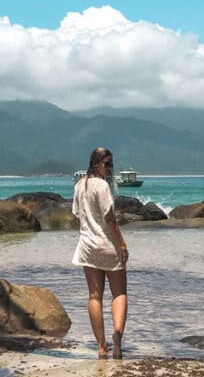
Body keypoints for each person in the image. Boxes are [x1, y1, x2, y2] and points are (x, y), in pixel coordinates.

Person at [72, 146, 128, 360]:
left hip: (87, 246)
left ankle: (101, 347)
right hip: (107, 245)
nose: (110, 168)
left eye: (112, 164)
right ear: (96, 164)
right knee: (119, 293)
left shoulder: (79, 186)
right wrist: (122, 245)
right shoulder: (102, 186)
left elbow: (78, 216)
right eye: (107, 164)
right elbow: (110, 220)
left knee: (94, 296)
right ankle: (117, 341)